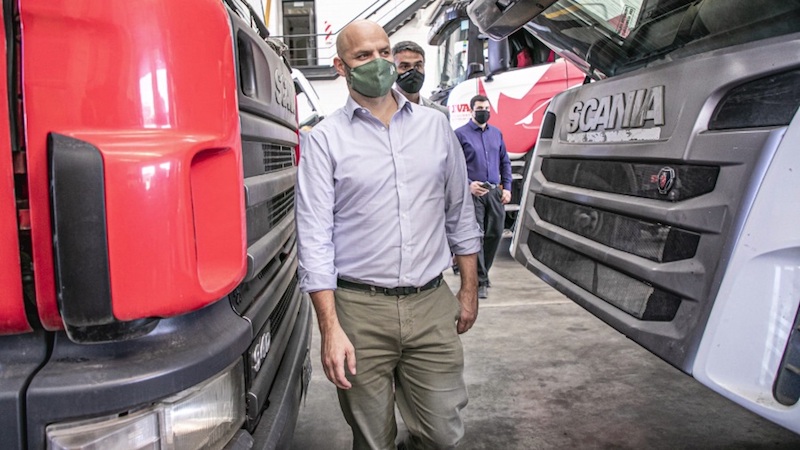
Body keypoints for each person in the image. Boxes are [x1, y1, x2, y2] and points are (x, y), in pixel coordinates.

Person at [295, 20, 482, 450]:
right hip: (359, 310)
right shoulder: (325, 140)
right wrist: (330, 328)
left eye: (384, 51)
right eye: (363, 56)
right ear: (341, 66)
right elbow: (315, 238)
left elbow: (460, 213)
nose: (378, 62)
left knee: (442, 433)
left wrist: (469, 289)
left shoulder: (435, 128)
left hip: (431, 303)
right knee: (373, 439)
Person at [454, 95, 512, 300]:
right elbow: (455, 166)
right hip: (474, 192)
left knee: (495, 233)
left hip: (494, 192)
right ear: (471, 110)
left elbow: (505, 161)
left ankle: (482, 272)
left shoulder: (496, 133)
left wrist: (507, 188)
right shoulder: (460, 134)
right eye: (480, 108)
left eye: (487, 108)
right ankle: (480, 280)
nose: (484, 112)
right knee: (476, 236)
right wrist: (469, 184)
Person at [391, 40, 449, 118]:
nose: (413, 72)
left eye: (417, 66)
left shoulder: (440, 113)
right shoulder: (381, 111)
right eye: (405, 66)